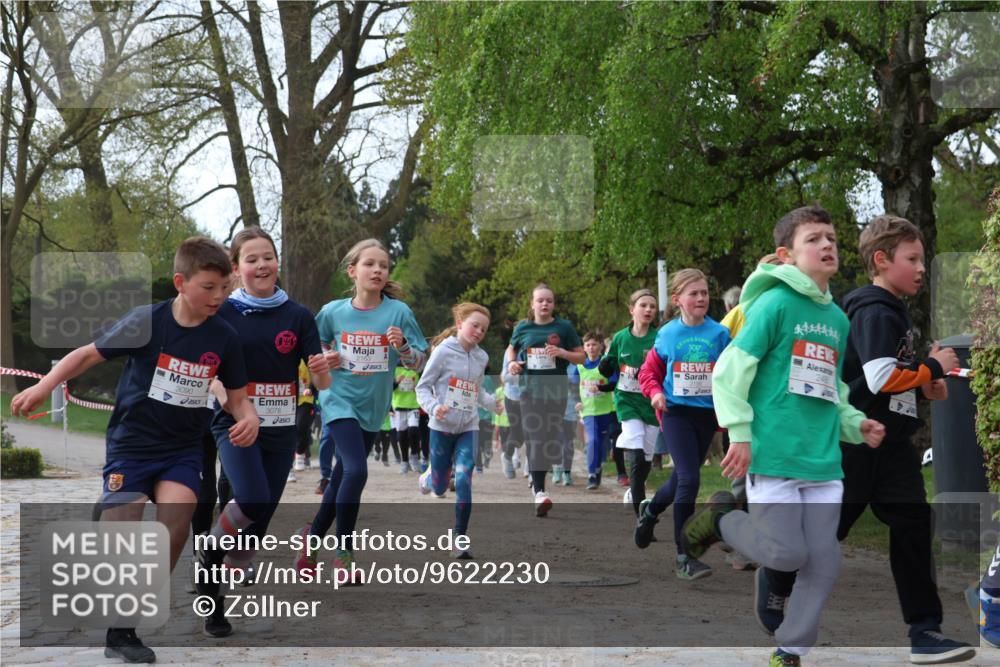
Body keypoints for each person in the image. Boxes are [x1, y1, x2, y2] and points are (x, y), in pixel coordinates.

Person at [11, 236, 258, 662]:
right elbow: (88, 355)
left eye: (224, 287)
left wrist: (248, 416)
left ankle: (123, 630)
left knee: (175, 528)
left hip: (182, 448)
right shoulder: (147, 322)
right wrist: (45, 384)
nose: (219, 296)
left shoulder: (225, 336)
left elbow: (236, 395)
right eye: (208, 287)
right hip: (133, 445)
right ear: (180, 282)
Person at [756, 215, 974, 664]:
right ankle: (776, 580)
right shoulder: (874, 308)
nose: (920, 268)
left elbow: (896, 377)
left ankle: (924, 632)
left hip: (892, 447)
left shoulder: (894, 311)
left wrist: (924, 381)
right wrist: (931, 367)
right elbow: (877, 378)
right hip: (853, 445)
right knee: (824, 535)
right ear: (881, 260)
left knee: (913, 527)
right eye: (912, 259)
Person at [679, 205, 886, 666]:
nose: (827, 245)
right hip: (773, 453)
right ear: (786, 255)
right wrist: (740, 433)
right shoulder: (773, 304)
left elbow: (829, 387)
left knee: (825, 562)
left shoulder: (837, 318)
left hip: (823, 461)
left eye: (831, 237)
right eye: (813, 239)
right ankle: (720, 521)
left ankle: (789, 649)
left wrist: (855, 423)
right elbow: (729, 372)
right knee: (785, 552)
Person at [197, 226, 331, 637]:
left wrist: (324, 371)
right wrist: (223, 392)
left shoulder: (298, 315)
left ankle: (233, 548)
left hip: (280, 428)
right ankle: (211, 577)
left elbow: (321, 383)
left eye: (268, 257)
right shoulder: (222, 312)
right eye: (251, 259)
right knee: (248, 497)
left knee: (261, 509)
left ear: (278, 262)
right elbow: (205, 367)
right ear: (236, 269)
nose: (262, 265)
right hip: (232, 422)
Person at [296, 238, 426, 581]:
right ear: (353, 271)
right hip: (338, 399)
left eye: (383, 265)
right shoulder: (334, 311)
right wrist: (326, 357)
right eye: (370, 264)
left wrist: (403, 347)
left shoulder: (399, 313)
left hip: (374, 407)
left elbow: (418, 362)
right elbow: (314, 345)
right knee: (356, 470)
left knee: (342, 478)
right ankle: (344, 554)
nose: (378, 270)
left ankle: (310, 541)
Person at [634, 269, 731, 579]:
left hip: (706, 416)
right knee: (690, 479)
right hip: (676, 414)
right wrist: (656, 393)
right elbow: (647, 373)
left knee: (681, 480)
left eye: (704, 293)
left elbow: (732, 375)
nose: (701, 298)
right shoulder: (667, 334)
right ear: (677, 300)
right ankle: (684, 556)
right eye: (694, 293)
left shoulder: (719, 334)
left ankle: (650, 510)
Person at [415, 302, 500, 558]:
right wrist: (434, 407)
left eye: (483, 329)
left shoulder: (481, 357)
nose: (478, 332)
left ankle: (459, 538)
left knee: (463, 477)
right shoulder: (443, 351)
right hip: (441, 427)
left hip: (468, 427)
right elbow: (422, 387)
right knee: (440, 488)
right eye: (475, 326)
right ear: (461, 324)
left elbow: (475, 389)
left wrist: (491, 403)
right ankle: (429, 478)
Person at [505, 283, 585, 516]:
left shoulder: (564, 327)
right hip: (530, 391)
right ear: (532, 304)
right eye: (540, 300)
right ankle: (540, 492)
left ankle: (536, 473)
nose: (544, 304)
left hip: (557, 392)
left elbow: (581, 356)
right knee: (537, 438)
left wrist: (562, 353)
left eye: (549, 300)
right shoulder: (523, 328)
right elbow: (511, 349)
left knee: (550, 440)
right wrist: (512, 362)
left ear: (553, 304)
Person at [600, 289, 659, 507]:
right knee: (635, 448)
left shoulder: (659, 338)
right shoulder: (620, 338)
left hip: (651, 401)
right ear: (632, 309)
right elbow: (609, 366)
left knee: (646, 456)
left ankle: (635, 490)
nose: (648, 310)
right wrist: (605, 367)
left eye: (652, 306)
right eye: (643, 305)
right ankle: (640, 509)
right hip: (626, 399)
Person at [392, 363, 422, 473]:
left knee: (414, 431)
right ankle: (404, 461)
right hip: (399, 405)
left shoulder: (416, 371)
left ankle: (414, 455)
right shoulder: (395, 370)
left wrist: (416, 389)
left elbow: (421, 389)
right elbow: (388, 388)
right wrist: (396, 382)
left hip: (413, 406)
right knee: (401, 434)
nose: (409, 359)